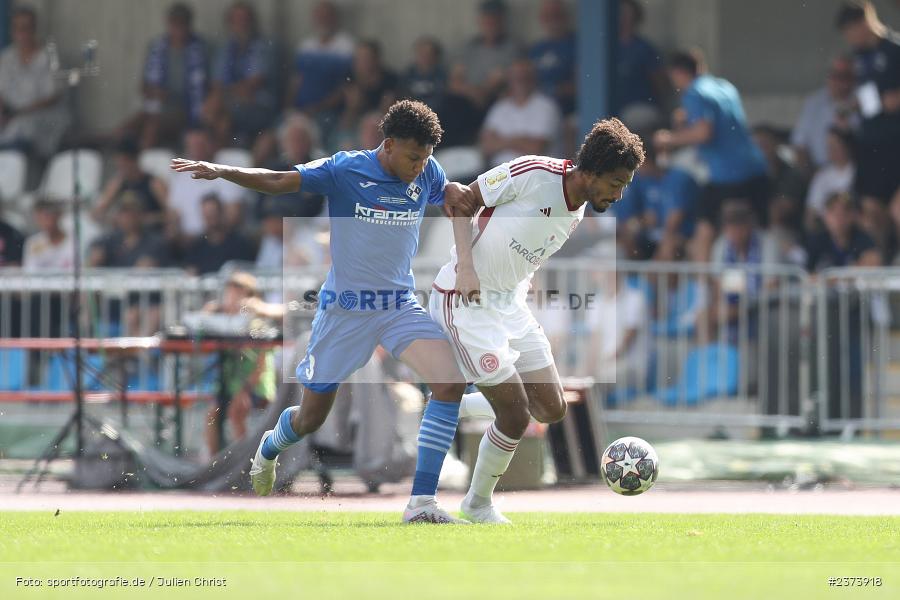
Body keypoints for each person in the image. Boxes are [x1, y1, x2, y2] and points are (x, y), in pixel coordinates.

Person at [171, 99, 478, 524]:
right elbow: (279, 180)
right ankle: (271, 446)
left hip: (397, 305)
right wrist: (224, 171)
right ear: (388, 145)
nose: (420, 166)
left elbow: (449, 195)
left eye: (426, 158)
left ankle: (421, 504)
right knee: (310, 418)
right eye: (413, 157)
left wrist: (456, 207)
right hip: (344, 312)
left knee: (450, 383)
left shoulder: (426, 171)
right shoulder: (345, 168)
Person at [429, 118, 644, 523]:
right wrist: (466, 267)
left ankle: (449, 403)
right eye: (616, 183)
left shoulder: (579, 209)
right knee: (515, 414)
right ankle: (477, 504)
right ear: (593, 171)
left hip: (510, 306)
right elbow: (461, 202)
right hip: (466, 300)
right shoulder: (533, 172)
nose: (618, 194)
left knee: (551, 407)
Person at [654, 49, 768, 262]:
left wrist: (669, 139)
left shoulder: (694, 93)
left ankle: (703, 282)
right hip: (756, 169)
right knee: (757, 231)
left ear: (678, 73)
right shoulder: (725, 86)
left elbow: (704, 132)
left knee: (704, 229)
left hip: (728, 175)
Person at [202, 272, 277, 455]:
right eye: (229, 294)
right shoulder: (222, 322)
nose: (232, 300)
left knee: (236, 412)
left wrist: (245, 390)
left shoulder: (259, 325)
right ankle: (215, 463)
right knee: (212, 415)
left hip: (255, 386)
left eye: (238, 294)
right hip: (228, 384)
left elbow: (261, 367)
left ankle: (246, 460)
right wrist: (209, 314)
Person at [117, 3, 210, 149]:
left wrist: (171, 95)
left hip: (185, 109)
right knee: (127, 128)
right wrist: (154, 91)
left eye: (182, 24)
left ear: (189, 25)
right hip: (157, 107)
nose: (178, 29)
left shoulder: (202, 49)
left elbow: (209, 87)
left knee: (152, 127)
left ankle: (143, 160)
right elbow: (143, 87)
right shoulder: (156, 47)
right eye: (174, 23)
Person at [835, 1, 900, 206]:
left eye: (850, 31)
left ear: (864, 23)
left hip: (895, 141)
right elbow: (868, 97)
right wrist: (851, 108)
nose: (849, 39)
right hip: (871, 142)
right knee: (870, 206)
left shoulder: (894, 50)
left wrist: (887, 101)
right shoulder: (859, 57)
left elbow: (891, 100)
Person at [202, 2, 277, 147]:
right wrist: (223, 96)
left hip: (259, 104)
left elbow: (253, 84)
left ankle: (217, 154)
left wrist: (224, 95)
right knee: (211, 109)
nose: (241, 24)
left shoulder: (262, 46)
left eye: (244, 19)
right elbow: (217, 83)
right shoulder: (225, 47)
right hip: (230, 101)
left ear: (252, 21)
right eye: (236, 20)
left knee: (222, 116)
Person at [0, 7, 69, 157]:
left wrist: (17, 113)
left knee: (22, 127)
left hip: (42, 117)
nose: (21, 33)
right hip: (11, 117)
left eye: (26, 28)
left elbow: (53, 97)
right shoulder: (6, 57)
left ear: (34, 29)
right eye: (17, 28)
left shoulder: (49, 57)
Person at [286, 1, 355, 132]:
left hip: (328, 112)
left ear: (335, 19)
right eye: (319, 16)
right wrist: (288, 107)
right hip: (300, 110)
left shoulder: (346, 47)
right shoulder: (305, 46)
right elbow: (296, 80)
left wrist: (316, 108)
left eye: (327, 16)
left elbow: (345, 86)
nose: (323, 20)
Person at [480, 59, 561, 166]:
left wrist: (501, 141)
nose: (520, 80)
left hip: (536, 171)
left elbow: (536, 148)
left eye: (524, 77)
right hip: (500, 172)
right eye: (516, 77)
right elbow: (486, 147)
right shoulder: (499, 108)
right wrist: (520, 140)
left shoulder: (546, 107)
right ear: (509, 79)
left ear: (533, 78)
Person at [168, 128, 245, 238]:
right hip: (187, 242)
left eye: (201, 145)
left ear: (212, 145)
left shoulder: (228, 173)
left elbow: (233, 215)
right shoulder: (180, 178)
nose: (197, 150)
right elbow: (173, 214)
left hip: (219, 238)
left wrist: (210, 237)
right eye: (193, 146)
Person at [791, 56, 859, 172]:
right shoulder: (814, 103)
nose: (840, 82)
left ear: (854, 78)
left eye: (846, 76)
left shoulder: (862, 100)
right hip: (818, 169)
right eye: (836, 76)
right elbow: (799, 144)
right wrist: (808, 172)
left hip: (854, 170)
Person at [91, 138, 171, 233]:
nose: (121, 168)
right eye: (119, 164)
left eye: (124, 163)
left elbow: (170, 214)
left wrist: (145, 219)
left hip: (150, 234)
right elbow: (96, 213)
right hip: (124, 236)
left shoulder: (154, 183)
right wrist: (117, 220)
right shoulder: (118, 183)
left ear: (134, 161)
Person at [616, 0, 669, 125]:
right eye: (620, 13)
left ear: (636, 17)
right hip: (612, 106)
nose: (623, 18)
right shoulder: (606, 49)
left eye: (628, 14)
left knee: (625, 121)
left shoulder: (645, 49)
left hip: (640, 106)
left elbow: (661, 84)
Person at [182, 193, 256, 275]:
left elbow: (247, 272)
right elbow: (190, 270)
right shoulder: (197, 246)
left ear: (221, 212)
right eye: (206, 214)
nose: (210, 217)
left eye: (213, 213)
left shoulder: (240, 243)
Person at [528, 0, 576, 116]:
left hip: (567, 110)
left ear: (565, 17)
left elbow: (580, 85)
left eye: (556, 15)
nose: (552, 20)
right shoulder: (536, 49)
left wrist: (552, 89)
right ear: (541, 18)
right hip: (536, 111)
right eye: (547, 16)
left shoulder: (577, 44)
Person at [22, 199, 73, 271]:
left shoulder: (73, 242)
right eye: (40, 218)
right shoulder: (34, 243)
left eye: (47, 216)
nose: (44, 222)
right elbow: (30, 271)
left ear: (58, 215)